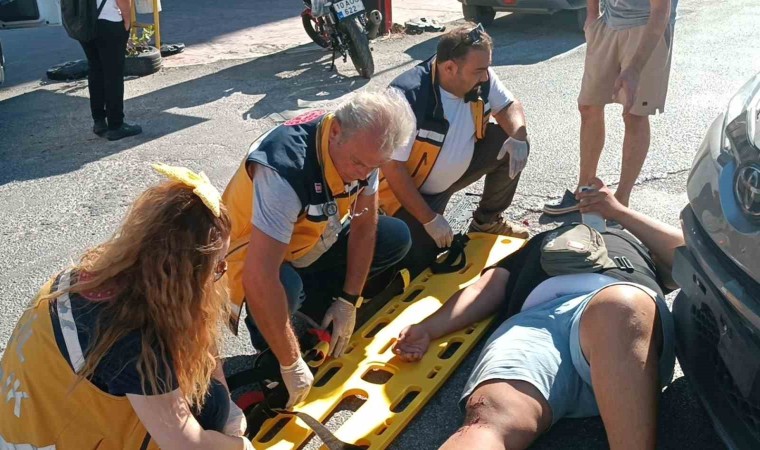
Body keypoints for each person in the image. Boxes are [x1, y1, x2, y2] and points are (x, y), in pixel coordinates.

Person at [394, 178, 681, 450]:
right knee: (489, 416)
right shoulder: (538, 243)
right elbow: (487, 288)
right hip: (537, 326)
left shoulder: (630, 243)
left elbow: (689, 254)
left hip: (618, 324)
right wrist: (429, 328)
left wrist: (619, 212)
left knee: (619, 307)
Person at [0, 164, 256, 450]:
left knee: (213, 398)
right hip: (51, 442)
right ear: (186, 277)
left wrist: (226, 396)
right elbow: (187, 444)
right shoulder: (135, 341)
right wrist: (240, 446)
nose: (221, 274)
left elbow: (201, 336)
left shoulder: (93, 274)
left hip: (20, 424)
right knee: (210, 409)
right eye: (218, 267)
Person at [222, 90, 414, 408]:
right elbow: (260, 276)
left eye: (375, 166)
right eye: (358, 163)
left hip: (308, 239)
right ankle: (271, 343)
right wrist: (290, 362)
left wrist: (349, 300)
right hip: (252, 259)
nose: (365, 174)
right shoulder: (284, 171)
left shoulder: (364, 149)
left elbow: (364, 227)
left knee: (395, 236)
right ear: (335, 131)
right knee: (283, 287)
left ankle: (311, 313)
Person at [380, 24, 531, 278]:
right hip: (415, 194)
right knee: (416, 262)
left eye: (487, 69)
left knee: (508, 141)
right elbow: (392, 167)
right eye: (479, 71)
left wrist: (519, 135)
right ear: (449, 68)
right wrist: (428, 218)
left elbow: (509, 105)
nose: (486, 78)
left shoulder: (481, 75)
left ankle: (487, 221)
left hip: (460, 169)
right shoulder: (406, 97)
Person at [544, 0, 678, 216]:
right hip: (608, 24)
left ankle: (621, 203)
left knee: (634, 114)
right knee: (588, 106)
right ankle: (584, 191)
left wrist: (634, 69)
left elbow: (661, 11)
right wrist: (592, 14)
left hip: (648, 28)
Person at [81, 0, 142, 141]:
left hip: (84, 23)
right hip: (109, 21)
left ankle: (99, 121)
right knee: (113, 74)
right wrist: (127, 20)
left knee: (95, 70)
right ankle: (116, 125)